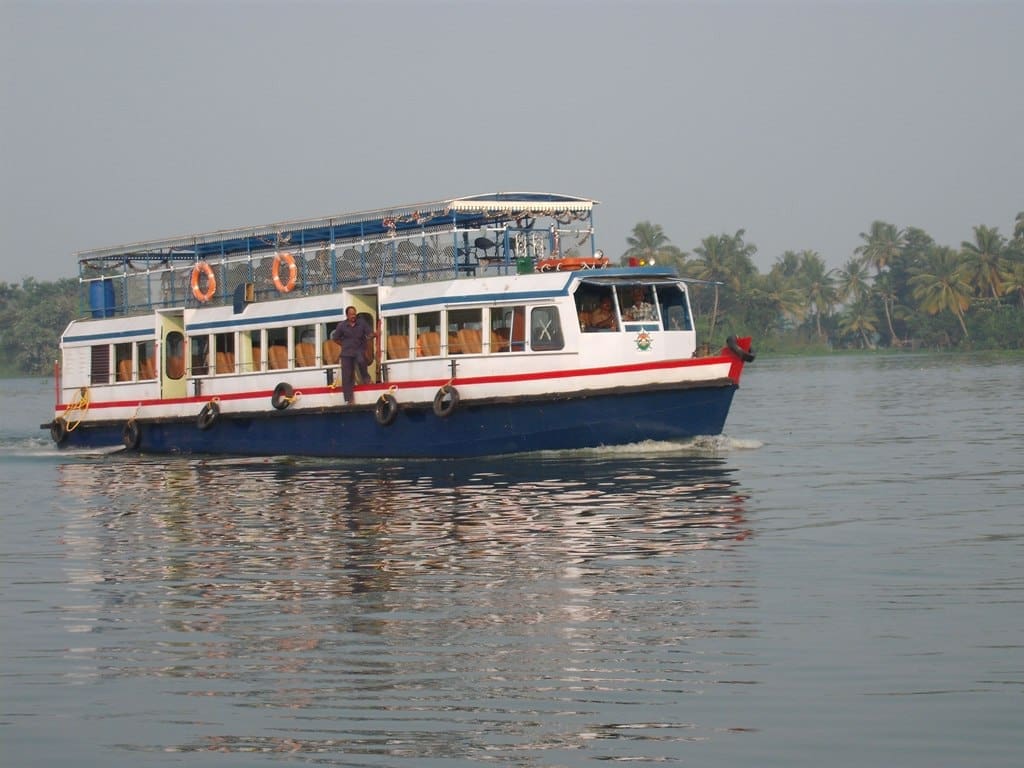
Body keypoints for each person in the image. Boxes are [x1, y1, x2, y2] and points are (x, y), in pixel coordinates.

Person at [330, 306, 374, 404]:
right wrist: (343, 344)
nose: (353, 316)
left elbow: (369, 333)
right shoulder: (342, 325)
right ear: (347, 315)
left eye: (354, 314)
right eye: (351, 314)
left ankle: (366, 378)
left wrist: (371, 336)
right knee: (347, 376)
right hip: (346, 352)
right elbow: (335, 338)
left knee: (361, 361)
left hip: (359, 349)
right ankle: (349, 399)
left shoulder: (361, 323)